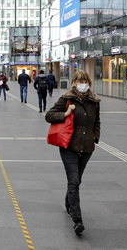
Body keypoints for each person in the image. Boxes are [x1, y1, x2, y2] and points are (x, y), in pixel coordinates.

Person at [45, 70, 100, 235]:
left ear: (89, 83)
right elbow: (49, 115)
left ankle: (69, 202)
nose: (82, 84)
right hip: (69, 146)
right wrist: (66, 113)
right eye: (79, 81)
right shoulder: (66, 98)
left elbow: (97, 121)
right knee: (74, 181)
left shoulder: (94, 101)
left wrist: (94, 136)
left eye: (85, 81)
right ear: (74, 82)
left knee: (76, 181)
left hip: (87, 147)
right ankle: (77, 220)